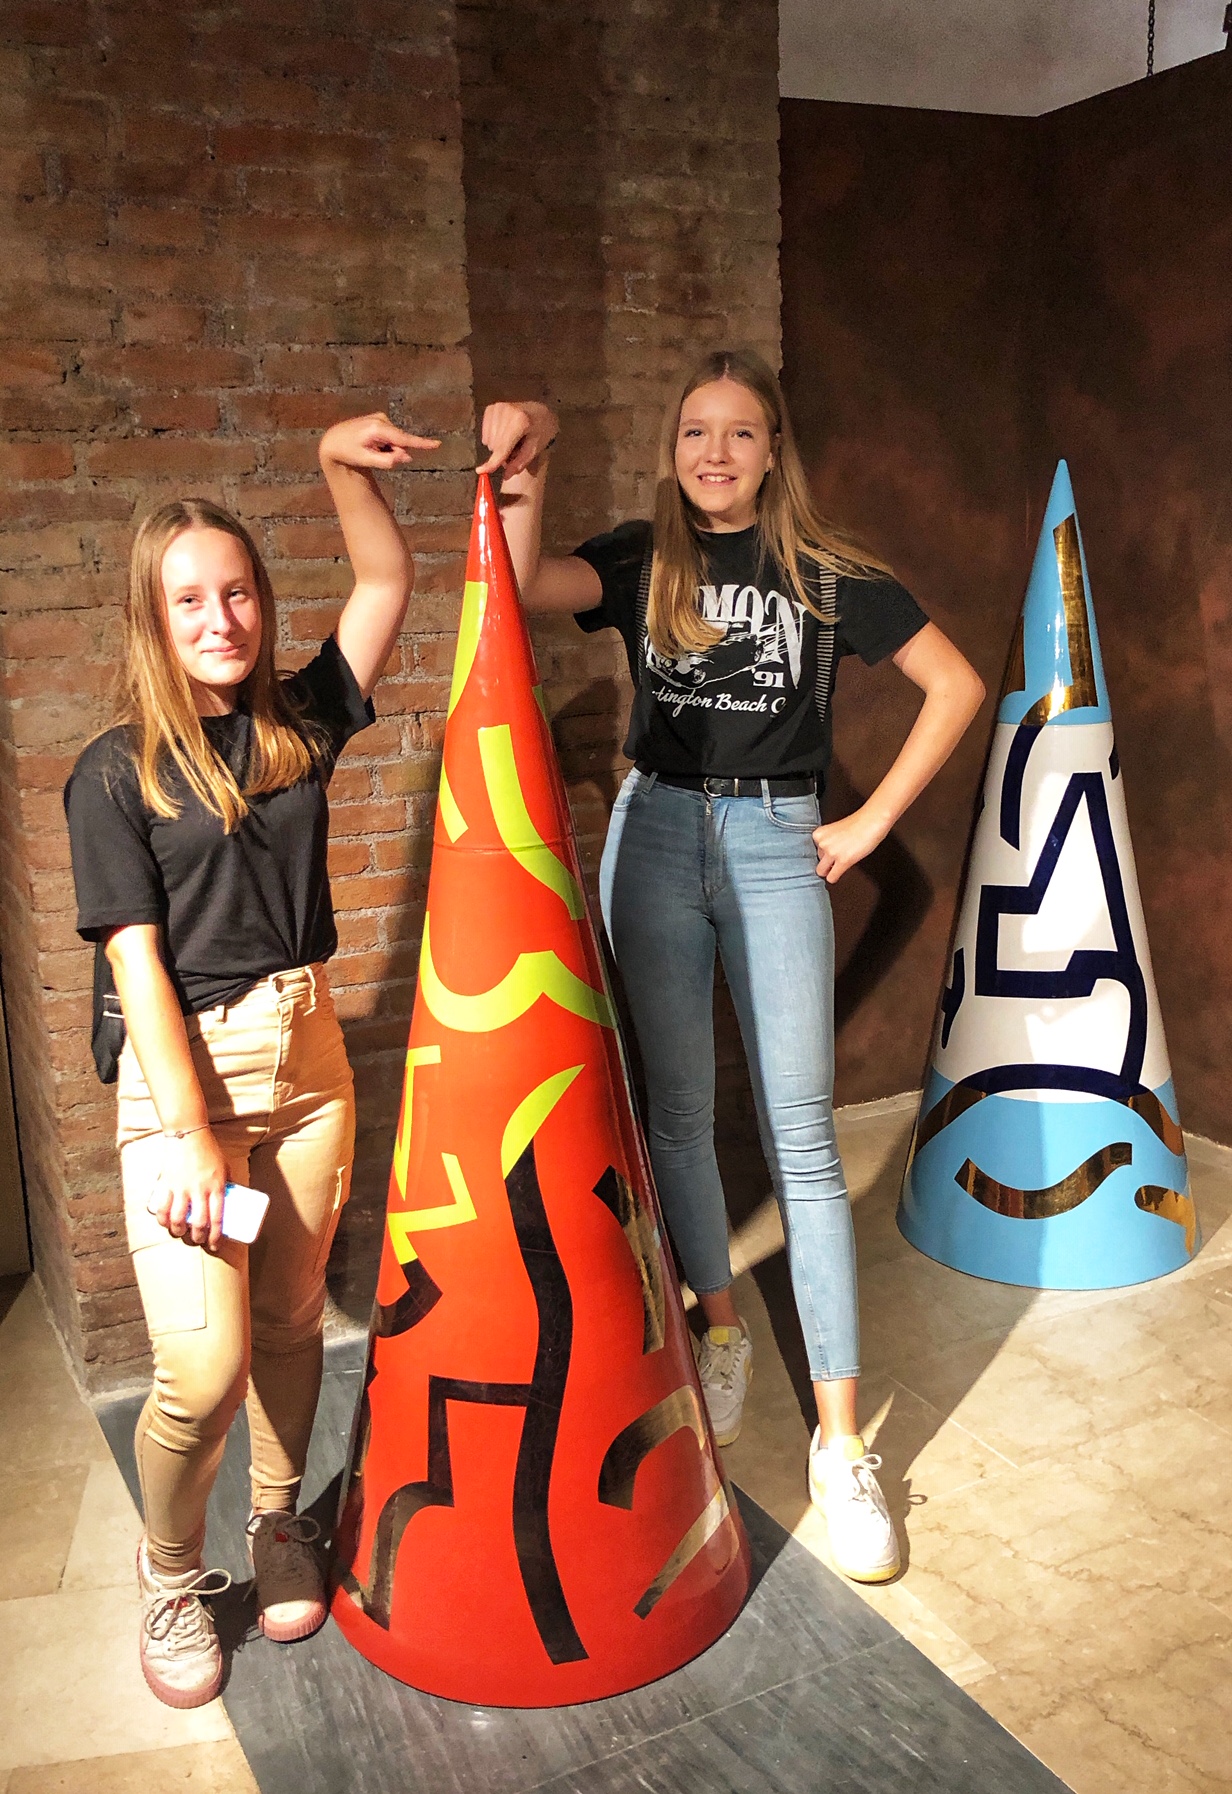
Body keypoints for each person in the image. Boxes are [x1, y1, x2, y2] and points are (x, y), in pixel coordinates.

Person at [476, 350, 985, 1583]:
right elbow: (518, 586)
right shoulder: (640, 556)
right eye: (695, 431)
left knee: (800, 1135)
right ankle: (718, 1329)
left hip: (772, 837)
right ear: (673, 448)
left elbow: (955, 683)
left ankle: (841, 1445)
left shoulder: (824, 569)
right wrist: (527, 451)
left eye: (739, 432)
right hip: (653, 832)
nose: (714, 452)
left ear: (771, 450)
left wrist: (867, 823)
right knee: (678, 1114)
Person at [63, 411, 438, 1707]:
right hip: (190, 1084)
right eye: (189, 599)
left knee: (289, 1318)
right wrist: (188, 1135)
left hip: (309, 1066)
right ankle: (172, 1573)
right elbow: (136, 969)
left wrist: (334, 465)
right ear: (151, 618)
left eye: (236, 592)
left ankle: (278, 1520)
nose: (219, 618)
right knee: (201, 1368)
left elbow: (383, 582)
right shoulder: (114, 775)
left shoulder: (298, 725)